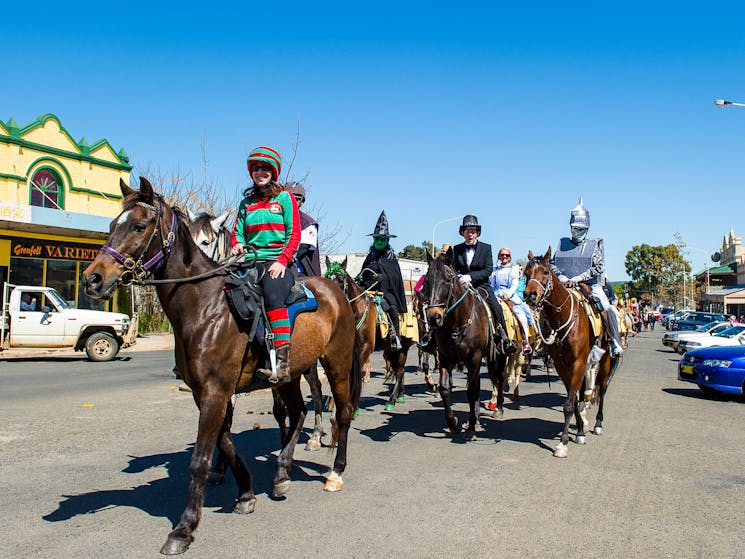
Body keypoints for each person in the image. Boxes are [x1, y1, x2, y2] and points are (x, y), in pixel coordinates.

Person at [230, 146, 300, 383]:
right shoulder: (246, 203)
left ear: (273, 172)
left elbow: (294, 235)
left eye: (265, 168)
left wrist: (282, 261)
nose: (260, 172)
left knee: (271, 295)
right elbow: (236, 233)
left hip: (277, 264)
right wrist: (237, 244)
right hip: (250, 262)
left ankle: (282, 364)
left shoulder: (284, 198)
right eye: (256, 168)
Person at [550, 198, 624, 357]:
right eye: (575, 228)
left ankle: (614, 341)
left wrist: (580, 277)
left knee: (607, 308)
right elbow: (552, 263)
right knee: (548, 306)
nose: (577, 232)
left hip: (591, 286)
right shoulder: (562, 244)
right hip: (565, 285)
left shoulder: (594, 245)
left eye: (581, 229)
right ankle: (546, 342)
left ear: (587, 229)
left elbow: (598, 267)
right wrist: (561, 276)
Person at [452, 215, 516, 355]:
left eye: (473, 231)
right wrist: (458, 277)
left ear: (477, 233)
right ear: (462, 233)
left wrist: (471, 277)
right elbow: (453, 268)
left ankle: (505, 338)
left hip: (481, 286)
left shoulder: (486, 248)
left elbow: (488, 270)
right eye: (467, 231)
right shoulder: (456, 249)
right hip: (461, 287)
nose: (470, 234)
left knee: (496, 307)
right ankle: (432, 337)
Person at [356, 211, 407, 350]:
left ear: (387, 241)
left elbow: (396, 277)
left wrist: (383, 277)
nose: (378, 242)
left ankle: (395, 335)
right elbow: (364, 271)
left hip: (386, 292)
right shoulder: (370, 256)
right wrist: (359, 277)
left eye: (382, 239)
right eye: (376, 239)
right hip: (368, 291)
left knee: (391, 308)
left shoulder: (391, 258)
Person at [490, 248, 534, 355]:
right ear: (499, 257)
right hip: (495, 294)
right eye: (502, 255)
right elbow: (491, 284)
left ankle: (525, 342)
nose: (504, 257)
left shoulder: (513, 269)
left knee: (520, 315)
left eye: (507, 255)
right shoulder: (494, 270)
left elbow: (514, 284)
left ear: (510, 257)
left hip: (510, 295)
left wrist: (508, 294)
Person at [285, 181, 321, 277]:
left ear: (302, 202)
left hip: (300, 271)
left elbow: (301, 249)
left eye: (296, 199)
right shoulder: (276, 220)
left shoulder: (308, 223)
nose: (291, 202)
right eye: (288, 198)